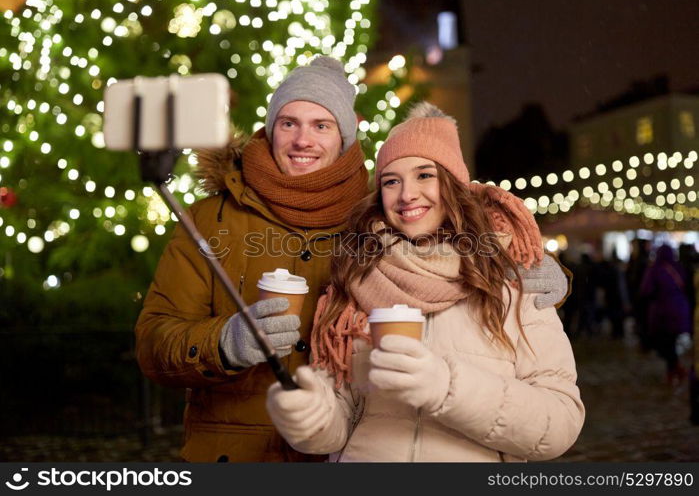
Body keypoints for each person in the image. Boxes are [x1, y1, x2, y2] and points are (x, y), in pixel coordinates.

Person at [135, 58, 569, 462]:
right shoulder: (211, 220)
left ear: (344, 137)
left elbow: (467, 236)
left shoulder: (375, 214)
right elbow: (154, 339)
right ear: (269, 130)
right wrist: (224, 343)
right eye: (289, 123)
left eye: (321, 125)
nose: (303, 140)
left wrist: (534, 267)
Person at [266, 103, 584, 462]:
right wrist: (310, 418)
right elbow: (342, 418)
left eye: (424, 175)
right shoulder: (355, 278)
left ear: (452, 185)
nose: (406, 195)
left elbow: (559, 424)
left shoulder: (510, 282)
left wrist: (446, 387)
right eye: (391, 181)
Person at [640, 244, 692, 387]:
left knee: (665, 343)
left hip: (663, 313)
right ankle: (675, 370)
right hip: (680, 310)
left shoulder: (655, 269)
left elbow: (646, 290)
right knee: (671, 342)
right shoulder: (679, 267)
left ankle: (675, 370)